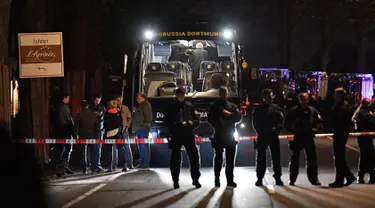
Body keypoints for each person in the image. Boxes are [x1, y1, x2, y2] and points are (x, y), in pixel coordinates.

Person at [165, 88, 201, 189]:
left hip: (188, 134)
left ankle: (195, 180)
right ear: (176, 95)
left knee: (194, 157)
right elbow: (166, 121)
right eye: (179, 94)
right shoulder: (171, 107)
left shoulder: (189, 106)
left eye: (182, 94)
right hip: (176, 134)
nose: (181, 96)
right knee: (175, 159)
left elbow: (197, 119)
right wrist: (174, 127)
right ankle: (175, 181)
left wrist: (192, 123)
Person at [208, 86, 241, 187]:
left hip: (230, 134)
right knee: (218, 158)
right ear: (220, 94)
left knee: (230, 159)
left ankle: (230, 180)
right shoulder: (215, 106)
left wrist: (229, 114)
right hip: (219, 133)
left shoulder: (232, 106)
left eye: (225, 93)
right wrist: (219, 115)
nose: (224, 95)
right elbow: (210, 119)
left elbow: (238, 118)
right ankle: (217, 179)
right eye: (223, 93)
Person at [285, 92, 321, 186]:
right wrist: (294, 128)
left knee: (312, 159)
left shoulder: (313, 111)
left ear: (308, 100)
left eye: (305, 99)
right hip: (298, 137)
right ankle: (292, 179)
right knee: (294, 159)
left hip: (309, 137)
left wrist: (315, 128)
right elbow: (287, 123)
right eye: (302, 99)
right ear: (299, 100)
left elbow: (319, 123)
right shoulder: (293, 111)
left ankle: (314, 179)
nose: (304, 101)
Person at [252, 89, 284, 186]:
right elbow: (255, 123)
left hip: (273, 136)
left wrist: (277, 130)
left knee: (276, 158)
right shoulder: (258, 109)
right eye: (269, 96)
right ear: (264, 97)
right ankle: (260, 178)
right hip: (263, 136)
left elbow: (281, 121)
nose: (271, 98)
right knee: (261, 158)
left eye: (271, 96)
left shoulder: (276, 108)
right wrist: (262, 132)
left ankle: (278, 177)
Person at [329, 87, 356, 187]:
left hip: (340, 133)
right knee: (339, 157)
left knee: (339, 156)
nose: (334, 96)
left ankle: (345, 177)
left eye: (336, 94)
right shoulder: (341, 105)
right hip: (340, 132)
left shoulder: (343, 107)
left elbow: (341, 121)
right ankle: (342, 178)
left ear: (340, 95)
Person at [352, 98, 375, 184]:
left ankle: (362, 176)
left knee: (365, 157)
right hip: (365, 137)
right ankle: (369, 176)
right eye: (368, 104)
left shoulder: (360, 112)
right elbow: (371, 122)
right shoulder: (363, 113)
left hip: (363, 137)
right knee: (369, 156)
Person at [53, 93, 75, 176]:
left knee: (60, 149)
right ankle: (63, 167)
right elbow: (69, 119)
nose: (69, 100)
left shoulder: (58, 107)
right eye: (68, 98)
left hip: (59, 131)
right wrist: (73, 129)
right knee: (66, 149)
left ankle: (60, 168)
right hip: (65, 131)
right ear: (64, 98)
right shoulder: (64, 107)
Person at [75, 100, 99, 174]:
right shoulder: (93, 114)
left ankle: (84, 168)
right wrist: (95, 134)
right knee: (93, 151)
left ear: (81, 106)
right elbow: (97, 124)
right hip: (92, 135)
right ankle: (93, 168)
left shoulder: (79, 114)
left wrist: (76, 135)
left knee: (83, 152)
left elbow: (76, 126)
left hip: (83, 135)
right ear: (88, 105)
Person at [103, 100, 125, 172]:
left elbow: (105, 123)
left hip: (109, 133)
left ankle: (110, 166)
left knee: (109, 150)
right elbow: (121, 123)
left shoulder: (107, 113)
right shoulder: (119, 113)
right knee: (121, 149)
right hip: (118, 132)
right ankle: (124, 165)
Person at [133, 93, 153, 169]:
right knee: (141, 146)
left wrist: (143, 125)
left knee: (144, 146)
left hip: (143, 128)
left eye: (138, 98)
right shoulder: (141, 105)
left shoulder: (146, 105)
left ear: (143, 98)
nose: (137, 99)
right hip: (139, 128)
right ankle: (142, 163)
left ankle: (145, 164)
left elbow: (148, 118)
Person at [115, 94, 133, 171]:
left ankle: (129, 164)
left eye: (120, 100)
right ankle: (113, 165)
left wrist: (127, 126)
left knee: (126, 147)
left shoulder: (125, 108)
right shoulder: (113, 108)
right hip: (115, 131)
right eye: (118, 100)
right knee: (114, 148)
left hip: (124, 130)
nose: (119, 102)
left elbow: (129, 118)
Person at [91, 94, 106, 172]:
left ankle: (96, 165)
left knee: (97, 148)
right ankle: (95, 165)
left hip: (98, 129)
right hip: (93, 130)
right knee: (95, 148)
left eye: (98, 100)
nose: (96, 102)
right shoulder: (92, 107)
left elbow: (100, 114)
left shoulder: (101, 107)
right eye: (95, 100)